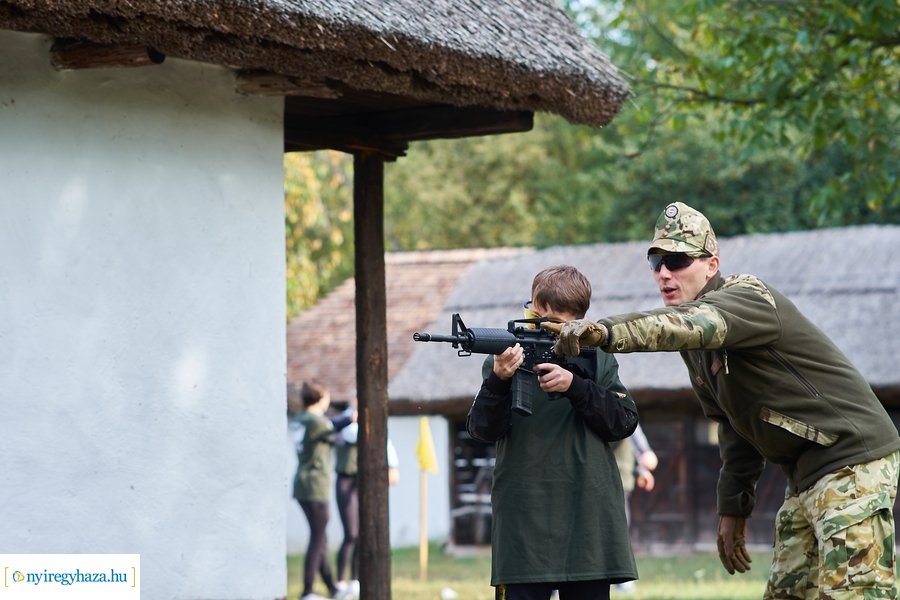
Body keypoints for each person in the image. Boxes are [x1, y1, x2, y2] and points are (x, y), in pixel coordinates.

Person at [546, 202, 900, 599]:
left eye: (677, 260)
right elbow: (734, 425)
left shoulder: (746, 297)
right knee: (789, 593)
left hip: (851, 460)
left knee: (856, 593)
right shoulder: (697, 347)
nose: (664, 272)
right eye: (656, 262)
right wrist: (733, 508)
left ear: (712, 264)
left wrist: (602, 332)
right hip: (805, 475)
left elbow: (682, 326)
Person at [466, 265, 640, 600]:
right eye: (534, 313)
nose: (540, 325)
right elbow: (482, 430)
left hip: (587, 516)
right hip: (523, 520)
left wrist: (575, 386)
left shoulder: (598, 355)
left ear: (578, 321)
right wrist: (499, 380)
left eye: (554, 322)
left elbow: (623, 422)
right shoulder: (505, 356)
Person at [291, 381, 353, 600]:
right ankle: (308, 591)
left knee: (321, 538)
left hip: (303, 483)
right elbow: (337, 424)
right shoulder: (316, 421)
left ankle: (332, 589)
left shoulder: (300, 419)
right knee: (318, 538)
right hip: (314, 485)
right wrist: (353, 416)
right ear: (320, 398)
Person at [332, 411, 400, 600]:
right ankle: (340, 581)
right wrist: (351, 418)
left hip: (362, 484)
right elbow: (353, 433)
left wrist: (392, 464)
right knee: (351, 534)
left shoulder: (377, 432)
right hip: (346, 482)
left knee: (363, 534)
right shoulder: (350, 429)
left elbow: (388, 450)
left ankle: (355, 579)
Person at [612, 424, 657, 595]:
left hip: (620, 482)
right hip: (602, 479)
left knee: (620, 531)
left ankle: (623, 581)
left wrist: (641, 470)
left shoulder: (623, 410)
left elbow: (633, 441)